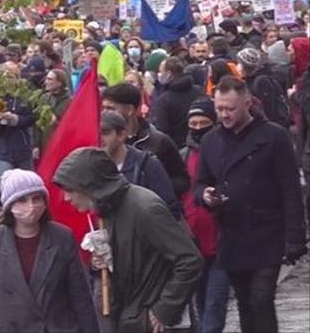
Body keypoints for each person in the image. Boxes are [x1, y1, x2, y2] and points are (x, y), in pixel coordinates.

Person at [194, 77, 307, 332]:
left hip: (267, 231)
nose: (224, 114)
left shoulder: (273, 136)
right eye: (220, 109)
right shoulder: (211, 141)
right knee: (245, 302)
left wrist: (296, 237)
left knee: (261, 299)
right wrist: (206, 196)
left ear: (247, 103)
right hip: (233, 234)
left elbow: (290, 189)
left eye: (230, 109)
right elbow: (200, 183)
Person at [54, 148, 203, 333]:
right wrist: (101, 263)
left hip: (155, 322)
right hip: (133, 318)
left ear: (89, 184)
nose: (66, 198)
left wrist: (164, 309)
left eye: (70, 190)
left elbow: (190, 260)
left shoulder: (145, 208)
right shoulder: (107, 210)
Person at [0, 169, 98, 333]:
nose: (31, 206)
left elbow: (80, 295)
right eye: (22, 200)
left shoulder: (62, 237)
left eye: (36, 198)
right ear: (9, 206)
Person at [180, 98, 229, 333]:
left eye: (204, 123)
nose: (198, 128)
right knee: (201, 302)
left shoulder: (225, 150)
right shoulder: (182, 155)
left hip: (221, 239)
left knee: (215, 303)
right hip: (192, 240)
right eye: (194, 123)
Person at [102, 83, 190, 201]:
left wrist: (154, 184)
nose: (104, 113)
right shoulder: (104, 143)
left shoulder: (159, 142)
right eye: (103, 108)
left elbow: (182, 181)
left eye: (110, 109)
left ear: (129, 110)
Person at [100, 111, 182, 219]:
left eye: (105, 133)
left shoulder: (147, 165)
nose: (99, 138)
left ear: (121, 135)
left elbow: (170, 210)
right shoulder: (93, 169)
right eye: (95, 133)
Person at [151, 57, 205, 146]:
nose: (159, 75)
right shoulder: (199, 91)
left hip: (176, 149)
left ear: (168, 74)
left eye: (160, 71)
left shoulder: (164, 100)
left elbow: (162, 132)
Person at [236, 47, 291, 128]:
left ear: (243, 66)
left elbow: (268, 109)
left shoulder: (260, 82)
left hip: (268, 129)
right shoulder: (248, 81)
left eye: (239, 63)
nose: (237, 66)